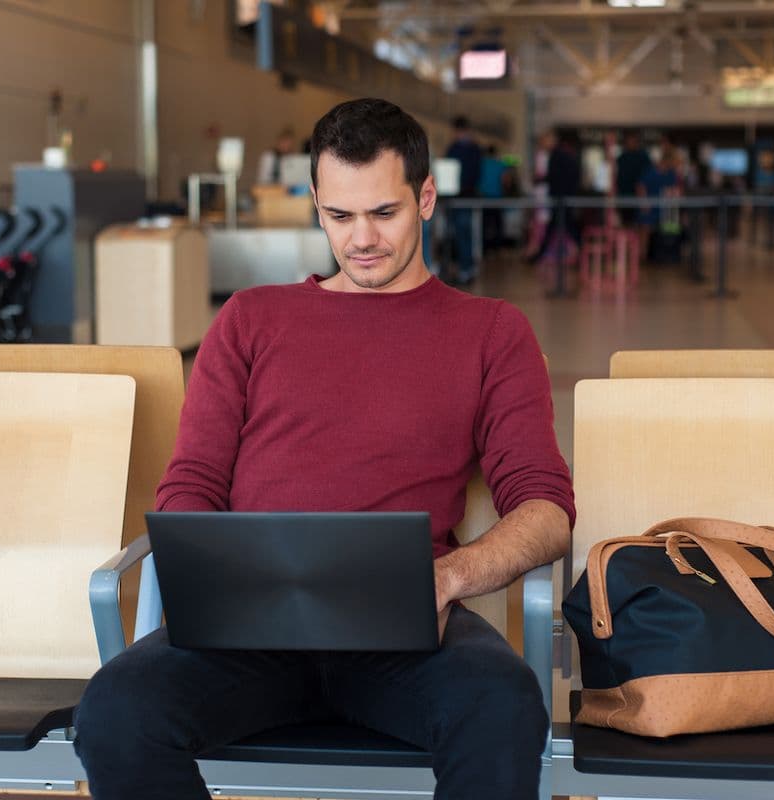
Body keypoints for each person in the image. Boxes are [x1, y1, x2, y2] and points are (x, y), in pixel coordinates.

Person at [74, 97, 576, 800]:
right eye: (340, 216)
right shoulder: (251, 319)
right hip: (246, 630)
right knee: (115, 714)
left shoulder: (492, 332)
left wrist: (450, 578)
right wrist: (210, 574)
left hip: (406, 629)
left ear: (426, 197)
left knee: (503, 706)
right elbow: (192, 483)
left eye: (384, 213)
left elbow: (546, 507)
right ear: (315, 202)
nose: (362, 238)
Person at [526, 129, 583, 265]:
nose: (542, 144)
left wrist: (541, 180)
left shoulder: (557, 155)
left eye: (544, 141)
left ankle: (539, 255)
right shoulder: (562, 154)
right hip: (562, 198)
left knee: (564, 227)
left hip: (560, 198)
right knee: (564, 227)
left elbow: (555, 177)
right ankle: (539, 255)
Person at [445, 115, 485, 285]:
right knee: (460, 232)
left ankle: (466, 267)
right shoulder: (470, 148)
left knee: (463, 232)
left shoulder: (460, 148)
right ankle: (463, 266)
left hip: (463, 195)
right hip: (460, 195)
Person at [615, 130, 652, 228]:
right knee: (626, 225)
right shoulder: (622, 158)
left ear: (637, 141)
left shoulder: (644, 158)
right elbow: (617, 179)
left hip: (640, 199)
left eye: (633, 140)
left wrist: (645, 199)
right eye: (628, 141)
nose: (630, 143)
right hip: (624, 197)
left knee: (642, 225)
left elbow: (647, 180)